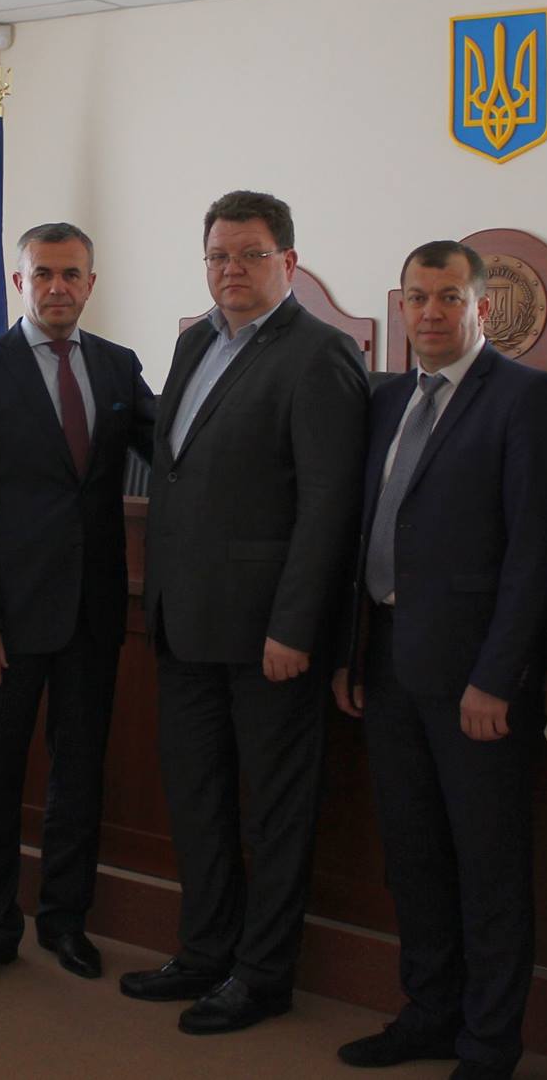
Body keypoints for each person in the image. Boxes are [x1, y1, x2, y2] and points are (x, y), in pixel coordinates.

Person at [120, 190, 368, 1035]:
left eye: (250, 254)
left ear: (288, 262)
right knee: (198, 801)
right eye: (219, 255)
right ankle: (202, 953)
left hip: (269, 637)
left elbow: (328, 507)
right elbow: (178, 468)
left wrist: (294, 626)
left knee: (275, 813)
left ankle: (261, 976)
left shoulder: (322, 354)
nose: (231, 269)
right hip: (184, 622)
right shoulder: (195, 340)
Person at [331, 241, 547, 1078]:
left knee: (488, 866)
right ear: (400, 306)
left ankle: (489, 1042)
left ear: (481, 308)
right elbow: (366, 530)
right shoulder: (385, 396)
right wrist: (351, 653)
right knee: (415, 857)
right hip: (389, 665)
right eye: (417, 297)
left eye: (448, 297)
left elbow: (536, 553)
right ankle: (428, 1013)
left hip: (475, 680)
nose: (430, 312)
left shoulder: (526, 397)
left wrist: (496, 677)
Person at [0, 222, 155, 994]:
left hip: (92, 616)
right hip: (5, 620)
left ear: (90, 283)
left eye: (71, 274)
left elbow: (177, 449)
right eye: (43, 274)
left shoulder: (119, 365)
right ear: (19, 282)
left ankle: (65, 920)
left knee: (79, 776)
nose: (57, 287)